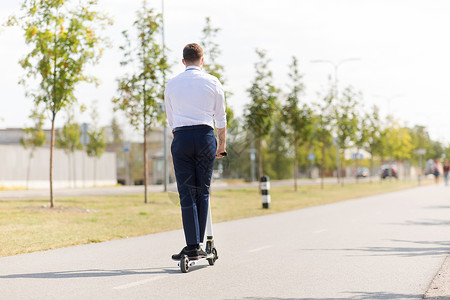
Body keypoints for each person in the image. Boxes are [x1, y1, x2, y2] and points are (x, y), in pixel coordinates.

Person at [164, 43, 227, 260]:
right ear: (202, 60)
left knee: (186, 192)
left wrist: (180, 141)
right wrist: (222, 145)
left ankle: (192, 245)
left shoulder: (172, 84)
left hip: (181, 137)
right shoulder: (212, 82)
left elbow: (170, 119)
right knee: (203, 190)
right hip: (205, 137)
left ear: (183, 61)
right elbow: (220, 116)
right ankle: (200, 242)